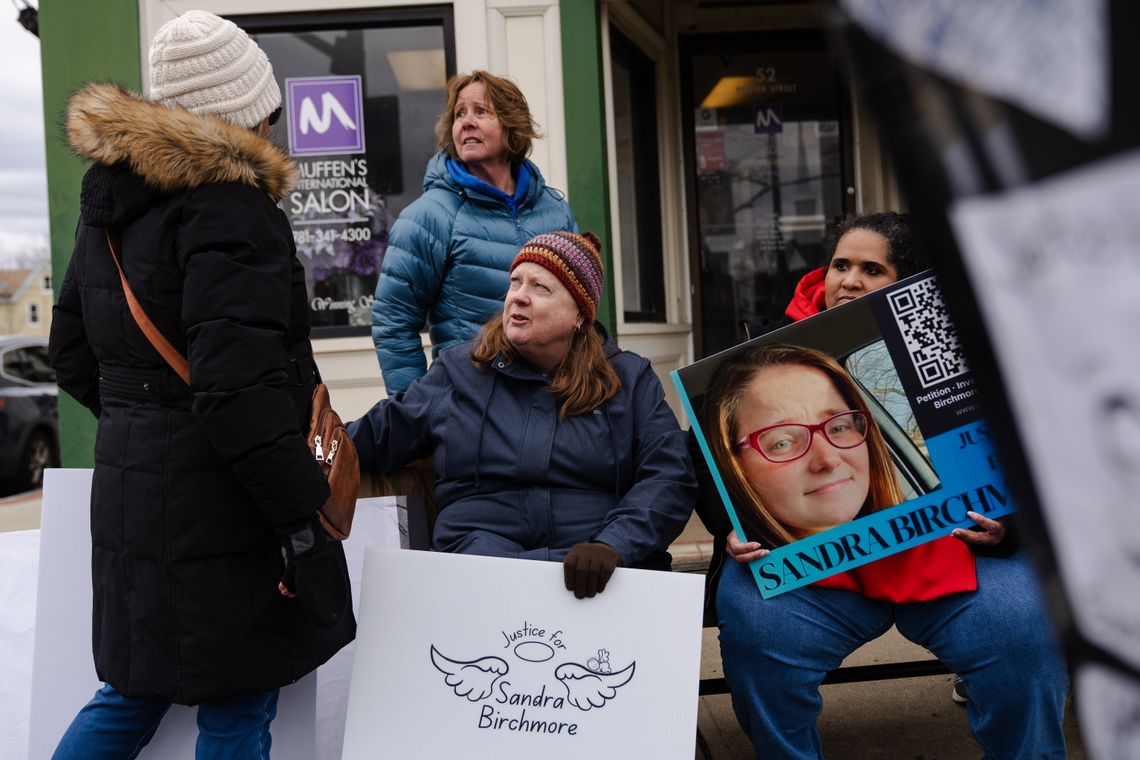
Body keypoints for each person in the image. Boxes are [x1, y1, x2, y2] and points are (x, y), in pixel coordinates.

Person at [48, 11, 354, 758]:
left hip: (129, 491)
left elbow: (69, 351)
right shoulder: (233, 209)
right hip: (225, 500)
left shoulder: (108, 201)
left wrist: (141, 419)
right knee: (239, 704)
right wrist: (297, 519)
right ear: (246, 110)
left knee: (132, 691)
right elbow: (236, 389)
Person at [697, 352, 1068, 757]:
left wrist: (1008, 520)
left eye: (839, 426)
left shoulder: (950, 342)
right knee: (754, 623)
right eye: (782, 442)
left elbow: (1030, 437)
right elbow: (695, 459)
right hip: (800, 569)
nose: (826, 459)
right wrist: (735, 514)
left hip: (952, 553)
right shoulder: (757, 357)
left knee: (1023, 623)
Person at [352, 231, 695, 597]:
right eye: (515, 282)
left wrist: (614, 544)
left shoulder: (627, 378)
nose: (519, 296)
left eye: (541, 287)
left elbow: (669, 475)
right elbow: (378, 435)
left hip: (596, 573)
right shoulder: (459, 371)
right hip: (478, 573)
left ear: (580, 313)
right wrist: (308, 452)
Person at [372, 70, 578, 394]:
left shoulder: (555, 210)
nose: (466, 122)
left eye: (481, 111)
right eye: (459, 114)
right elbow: (393, 322)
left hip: (554, 399)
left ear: (512, 124)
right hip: (473, 409)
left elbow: (580, 307)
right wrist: (418, 412)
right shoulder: (429, 216)